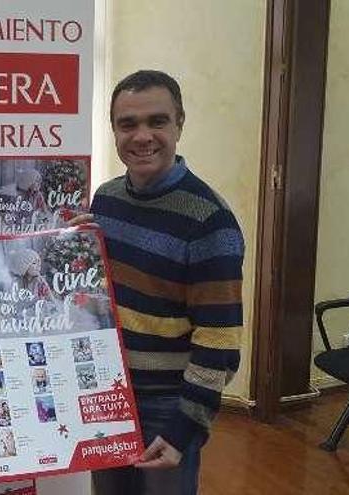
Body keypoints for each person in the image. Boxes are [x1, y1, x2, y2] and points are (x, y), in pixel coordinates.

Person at [75, 70, 244, 494]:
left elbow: (219, 341)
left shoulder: (210, 221)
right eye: (128, 124)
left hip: (168, 405)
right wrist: (75, 245)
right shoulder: (106, 200)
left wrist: (184, 427)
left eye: (157, 121)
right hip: (109, 391)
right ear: (113, 130)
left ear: (180, 124)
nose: (142, 136)